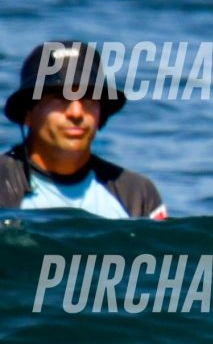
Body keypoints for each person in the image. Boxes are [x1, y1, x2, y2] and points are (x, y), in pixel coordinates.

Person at [1, 41, 165, 218]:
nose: (76, 113)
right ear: (27, 112)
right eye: (60, 97)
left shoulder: (137, 193)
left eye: (88, 98)